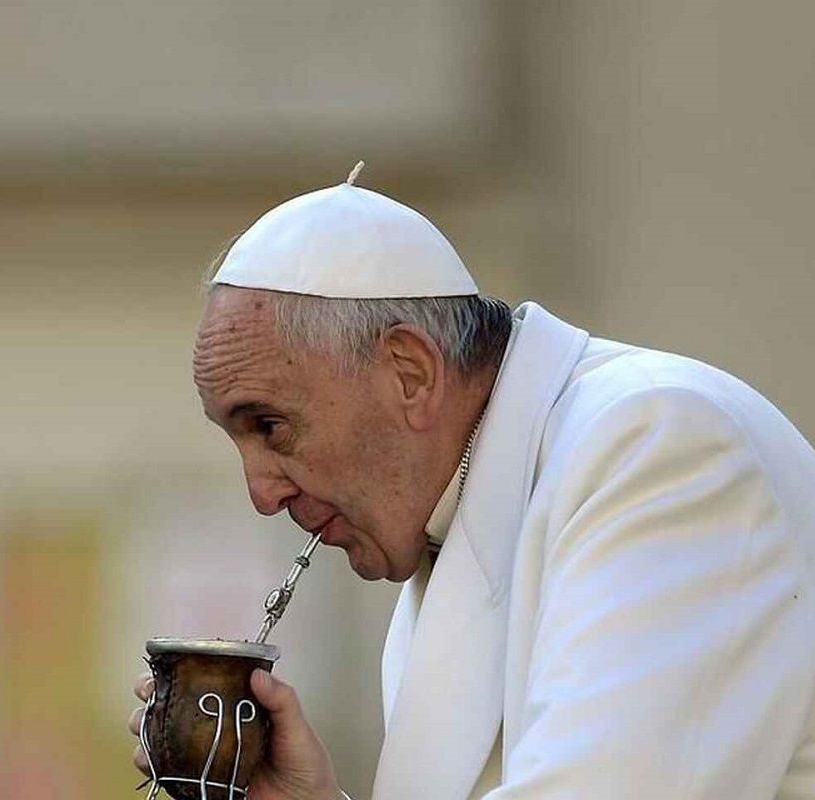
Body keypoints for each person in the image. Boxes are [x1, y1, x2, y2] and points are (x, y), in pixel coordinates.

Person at [127, 164, 815, 799]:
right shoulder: (451, 523)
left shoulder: (657, 443)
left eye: (271, 425)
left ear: (411, 374)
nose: (261, 493)